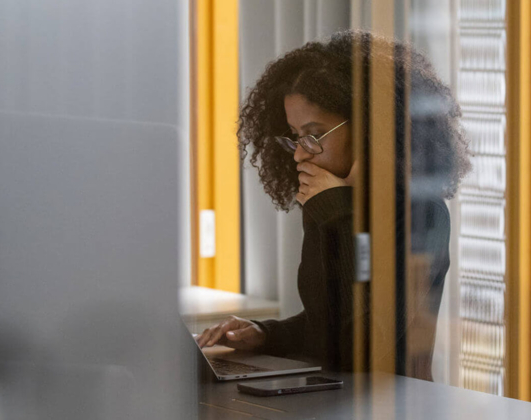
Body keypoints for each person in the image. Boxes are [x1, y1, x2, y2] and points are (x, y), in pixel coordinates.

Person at [196, 30, 470, 380]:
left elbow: (365, 346)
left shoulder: (422, 214)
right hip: (332, 398)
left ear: (371, 126)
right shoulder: (328, 202)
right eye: (295, 137)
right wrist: (265, 333)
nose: (298, 153)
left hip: (394, 405)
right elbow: (328, 329)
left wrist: (339, 212)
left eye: (313, 134)